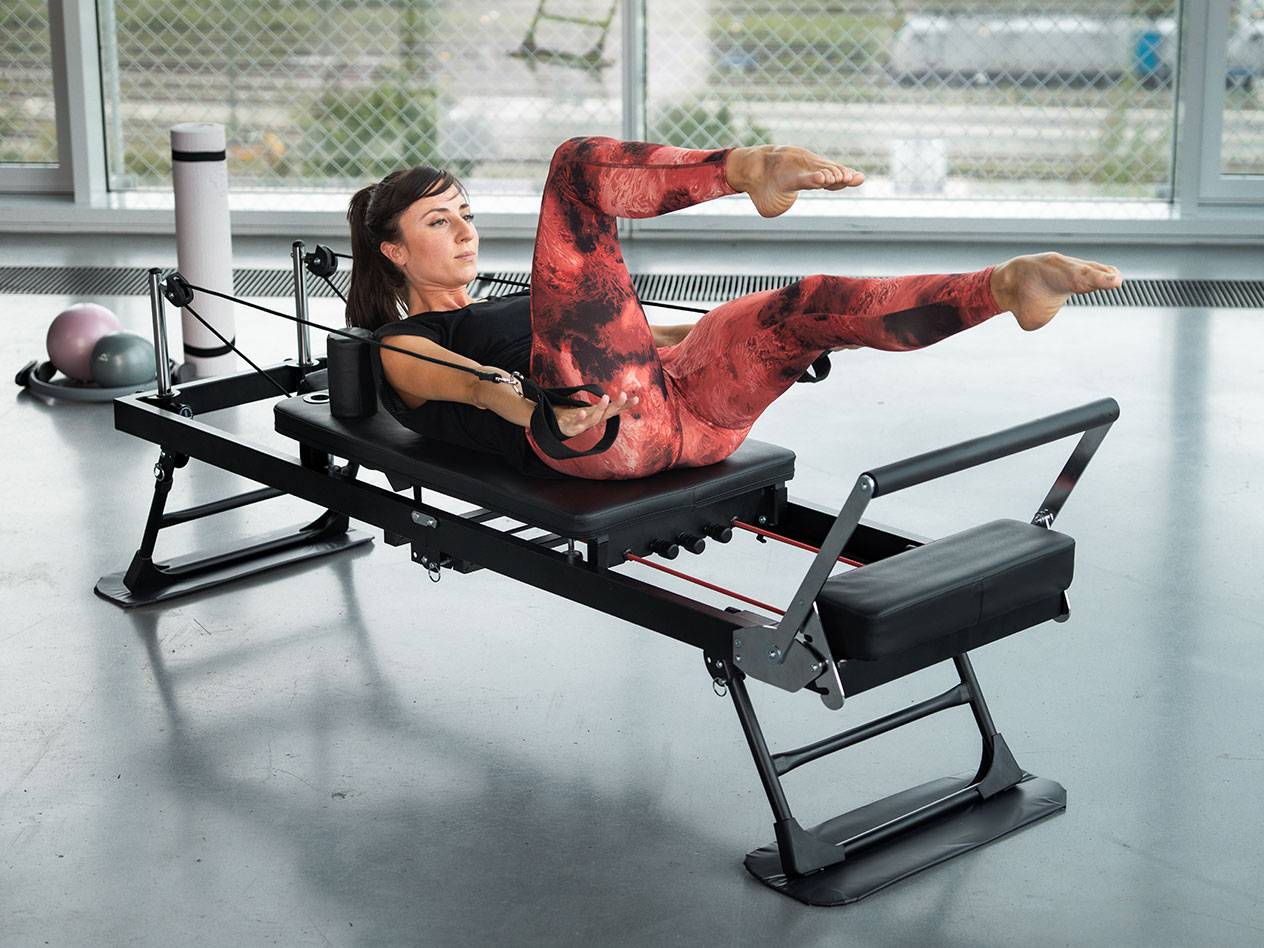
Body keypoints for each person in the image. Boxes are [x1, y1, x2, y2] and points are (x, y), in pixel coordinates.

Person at [346, 137, 1123, 480]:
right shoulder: (405, 342)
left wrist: (752, 335)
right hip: (597, 431)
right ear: (393, 251)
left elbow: (651, 334)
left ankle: (1006, 288)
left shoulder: (531, 309)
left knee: (805, 306)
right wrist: (541, 414)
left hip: (692, 413)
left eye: (467, 215)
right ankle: (745, 168)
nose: (465, 234)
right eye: (438, 222)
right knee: (573, 172)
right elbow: (481, 386)